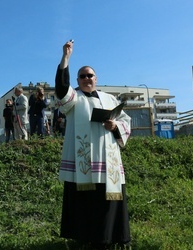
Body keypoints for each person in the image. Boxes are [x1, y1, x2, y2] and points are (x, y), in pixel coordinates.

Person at [55, 40, 131, 248]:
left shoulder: (110, 99)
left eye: (90, 75)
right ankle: (84, 237)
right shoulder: (73, 98)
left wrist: (114, 126)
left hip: (108, 162)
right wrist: (65, 58)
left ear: (96, 79)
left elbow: (126, 121)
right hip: (83, 163)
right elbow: (62, 89)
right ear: (77, 80)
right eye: (83, 76)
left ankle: (108, 238)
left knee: (108, 202)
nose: (87, 78)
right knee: (84, 203)